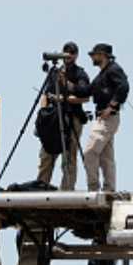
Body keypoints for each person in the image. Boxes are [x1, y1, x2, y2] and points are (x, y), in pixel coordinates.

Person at [37, 41, 91, 190]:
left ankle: (66, 190)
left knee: (69, 157)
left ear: (76, 55)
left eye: (72, 52)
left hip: (72, 117)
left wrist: (65, 92)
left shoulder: (80, 74)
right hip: (53, 117)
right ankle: (41, 188)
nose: (68, 55)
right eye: (66, 52)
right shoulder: (55, 72)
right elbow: (46, 94)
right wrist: (43, 114)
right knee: (47, 155)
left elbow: (85, 95)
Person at [80, 43, 129, 192]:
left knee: (90, 152)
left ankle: (93, 188)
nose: (92, 58)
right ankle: (109, 190)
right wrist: (68, 85)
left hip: (107, 119)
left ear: (102, 55)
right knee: (106, 158)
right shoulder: (102, 74)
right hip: (105, 119)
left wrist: (112, 106)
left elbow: (124, 86)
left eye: (94, 55)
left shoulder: (113, 69)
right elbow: (87, 91)